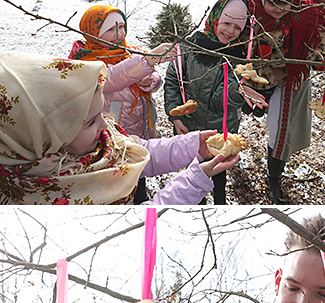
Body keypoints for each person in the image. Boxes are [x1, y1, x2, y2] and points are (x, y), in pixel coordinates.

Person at [0, 51, 239, 205]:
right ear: (43, 138)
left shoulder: (102, 139)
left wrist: (191, 146)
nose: (106, 124)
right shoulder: (45, 198)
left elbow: (141, 152)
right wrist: (196, 179)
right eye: (91, 122)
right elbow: (147, 222)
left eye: (100, 114)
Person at [164, 0, 268, 204]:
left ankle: (220, 203)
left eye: (237, 28)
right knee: (194, 176)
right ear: (215, 19)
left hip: (221, 132)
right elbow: (173, 80)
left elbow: (219, 100)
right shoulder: (189, 48)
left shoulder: (238, 58)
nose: (230, 31)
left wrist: (237, 92)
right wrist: (175, 116)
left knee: (218, 173)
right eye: (227, 23)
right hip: (189, 129)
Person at [69, 3, 176, 203]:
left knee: (140, 173)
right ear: (92, 32)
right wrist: (146, 62)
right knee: (120, 180)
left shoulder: (130, 52)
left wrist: (147, 81)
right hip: (115, 131)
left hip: (141, 126)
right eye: (110, 29)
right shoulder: (86, 61)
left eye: (121, 27)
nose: (118, 34)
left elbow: (155, 80)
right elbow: (110, 79)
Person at [246, 0, 325, 203]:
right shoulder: (249, 13)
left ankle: (274, 177)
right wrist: (259, 74)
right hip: (252, 78)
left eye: (284, 4)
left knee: (280, 129)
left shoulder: (304, 13)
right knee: (237, 112)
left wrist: (319, 56)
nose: (278, 10)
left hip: (286, 78)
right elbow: (238, 48)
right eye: (272, 3)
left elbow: (322, 38)